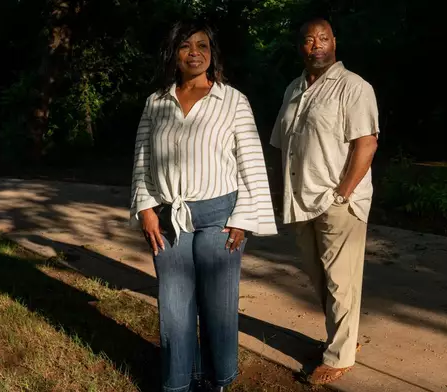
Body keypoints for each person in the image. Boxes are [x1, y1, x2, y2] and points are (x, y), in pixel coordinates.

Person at [129, 20, 277, 392]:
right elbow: (142, 158)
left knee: (218, 308)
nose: (194, 52)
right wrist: (146, 207)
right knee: (175, 308)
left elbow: (252, 162)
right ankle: (179, 382)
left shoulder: (232, 100)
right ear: (173, 54)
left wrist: (244, 218)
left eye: (203, 45)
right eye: (185, 45)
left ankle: (217, 380)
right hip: (168, 218)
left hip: (221, 216)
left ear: (212, 54)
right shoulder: (156, 102)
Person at [269, 17, 380, 385]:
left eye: (323, 38)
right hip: (300, 201)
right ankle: (341, 337)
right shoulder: (293, 90)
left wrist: (342, 194)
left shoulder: (354, 87)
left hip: (337, 200)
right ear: (300, 47)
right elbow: (280, 147)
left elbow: (367, 144)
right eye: (308, 39)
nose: (315, 44)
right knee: (320, 279)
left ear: (334, 41)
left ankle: (339, 356)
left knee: (340, 281)